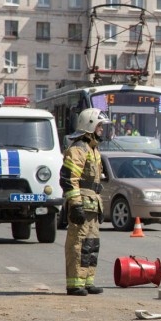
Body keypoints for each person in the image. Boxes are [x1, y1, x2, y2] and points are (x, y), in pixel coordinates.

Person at [60, 108, 110, 297]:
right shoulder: (78, 149)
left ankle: (87, 281)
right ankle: (74, 284)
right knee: (78, 243)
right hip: (82, 203)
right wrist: (76, 205)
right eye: (99, 126)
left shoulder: (93, 149)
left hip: (92, 205)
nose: (102, 130)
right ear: (89, 125)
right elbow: (69, 178)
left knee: (91, 244)